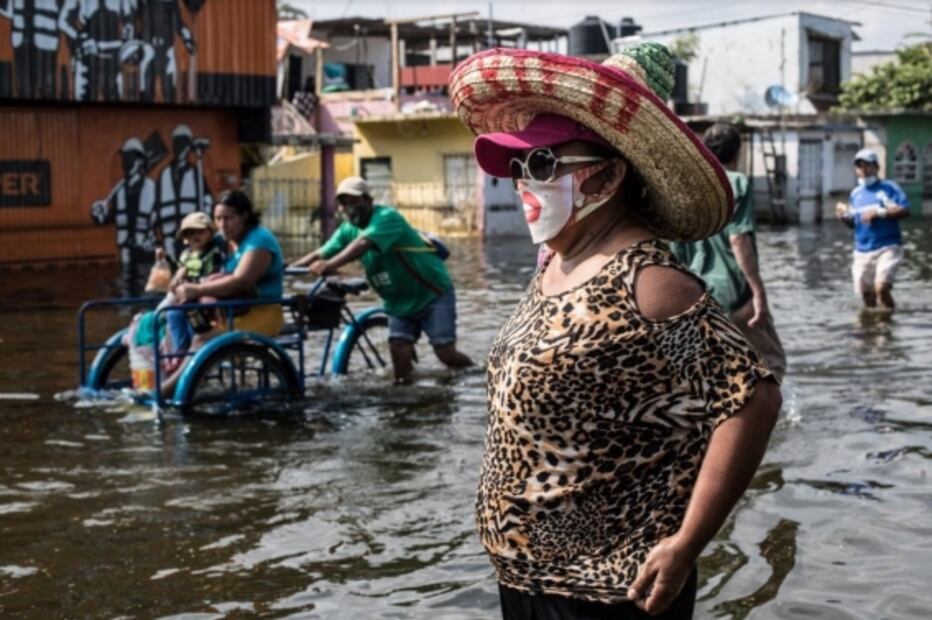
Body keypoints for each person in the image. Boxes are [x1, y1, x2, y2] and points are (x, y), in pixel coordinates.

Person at [450, 43, 782, 619]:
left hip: (607, 591)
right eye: (520, 168)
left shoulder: (650, 285)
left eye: (544, 165)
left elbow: (750, 398)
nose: (524, 182)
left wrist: (687, 544)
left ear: (605, 177)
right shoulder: (557, 260)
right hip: (529, 579)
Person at [290, 176, 473, 385]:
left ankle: (478, 374)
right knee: (399, 351)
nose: (349, 208)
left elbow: (363, 243)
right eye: (344, 203)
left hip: (431, 293)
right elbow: (320, 253)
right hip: (397, 301)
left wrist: (330, 265)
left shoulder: (387, 217)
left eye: (355, 201)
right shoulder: (347, 230)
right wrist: (288, 269)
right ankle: (405, 400)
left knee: (445, 352)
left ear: (368, 201)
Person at [669, 123, 786, 381]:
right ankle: (768, 421)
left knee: (718, 370)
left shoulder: (686, 187)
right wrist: (758, 291)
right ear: (737, 154)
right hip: (735, 292)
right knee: (771, 364)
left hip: (699, 294)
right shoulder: (736, 182)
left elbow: (676, 247)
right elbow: (738, 239)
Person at [160, 190, 285, 396]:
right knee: (170, 320)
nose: (222, 224)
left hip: (262, 312)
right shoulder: (222, 240)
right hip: (229, 309)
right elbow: (194, 255)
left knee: (203, 339)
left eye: (229, 218)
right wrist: (181, 274)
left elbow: (241, 281)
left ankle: (168, 389)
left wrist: (196, 290)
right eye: (218, 219)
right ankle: (168, 375)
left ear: (244, 216)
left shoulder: (259, 240)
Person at [835, 148, 910, 310]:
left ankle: (889, 320)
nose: (863, 169)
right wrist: (844, 217)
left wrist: (879, 212)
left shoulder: (889, 188)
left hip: (888, 245)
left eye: (867, 165)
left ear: (876, 167)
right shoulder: (855, 194)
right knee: (867, 295)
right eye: (859, 166)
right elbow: (855, 223)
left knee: (881, 287)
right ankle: (874, 326)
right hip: (863, 249)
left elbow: (904, 210)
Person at [162, 211, 224, 369]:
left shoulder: (214, 254)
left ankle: (192, 353)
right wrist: (176, 275)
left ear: (210, 233)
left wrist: (196, 284)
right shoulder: (186, 255)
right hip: (186, 297)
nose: (195, 236)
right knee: (173, 313)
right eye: (190, 233)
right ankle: (180, 349)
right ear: (184, 238)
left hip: (203, 296)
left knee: (193, 317)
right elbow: (177, 275)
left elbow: (216, 275)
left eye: (200, 231)